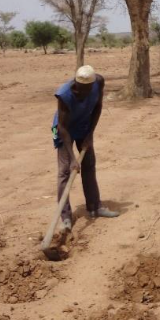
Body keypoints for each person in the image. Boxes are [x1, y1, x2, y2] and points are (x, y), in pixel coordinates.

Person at [52, 65, 119, 230]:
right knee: (65, 172)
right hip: (64, 129)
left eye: (87, 89)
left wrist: (90, 134)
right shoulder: (64, 95)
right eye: (81, 89)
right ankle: (65, 218)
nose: (84, 93)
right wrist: (73, 159)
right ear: (76, 84)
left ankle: (95, 207)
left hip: (84, 126)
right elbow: (62, 128)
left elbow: (98, 107)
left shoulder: (99, 82)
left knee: (89, 165)